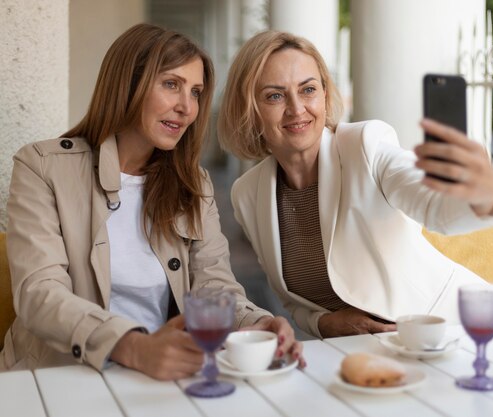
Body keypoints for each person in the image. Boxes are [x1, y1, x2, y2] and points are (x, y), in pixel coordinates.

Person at [0, 24, 303, 380]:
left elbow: (214, 287)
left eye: (196, 92)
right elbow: (39, 294)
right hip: (57, 377)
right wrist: (133, 347)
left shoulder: (194, 184)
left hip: (158, 376)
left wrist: (258, 323)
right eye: (171, 84)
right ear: (127, 84)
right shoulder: (42, 167)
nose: (186, 107)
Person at [218, 30, 493, 340]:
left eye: (308, 89)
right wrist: (324, 324)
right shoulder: (247, 194)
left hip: (457, 331)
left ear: (326, 95)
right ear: (250, 110)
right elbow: (292, 302)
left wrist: (479, 195)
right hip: (362, 357)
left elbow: (430, 203)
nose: (297, 108)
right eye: (275, 95)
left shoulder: (365, 145)